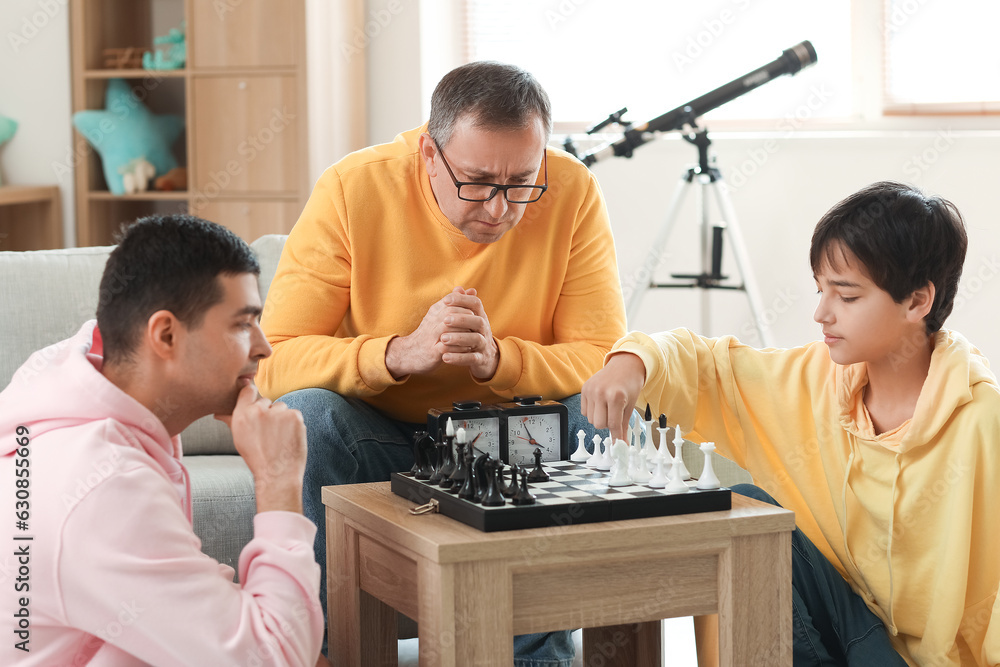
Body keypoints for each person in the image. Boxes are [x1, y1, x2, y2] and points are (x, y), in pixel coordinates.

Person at [257, 61, 627, 665]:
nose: (500, 208)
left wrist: (501, 362)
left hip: (518, 436)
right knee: (308, 417)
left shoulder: (572, 189)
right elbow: (274, 362)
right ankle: (330, 655)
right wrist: (397, 354)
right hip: (386, 439)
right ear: (429, 153)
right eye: (478, 181)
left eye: (521, 183)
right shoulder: (354, 188)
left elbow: (599, 357)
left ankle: (543, 657)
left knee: (609, 423)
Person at [582, 181, 1000, 666]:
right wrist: (630, 361)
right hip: (846, 628)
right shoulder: (819, 377)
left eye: (845, 296)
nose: (821, 313)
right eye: (821, 290)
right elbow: (706, 365)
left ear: (916, 302)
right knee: (743, 512)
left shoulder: (980, 423)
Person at [0, 215, 326, 666]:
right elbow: (273, 660)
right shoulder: (103, 487)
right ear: (166, 335)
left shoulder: (82, 385)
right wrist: (278, 479)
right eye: (241, 324)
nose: (264, 347)